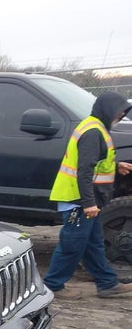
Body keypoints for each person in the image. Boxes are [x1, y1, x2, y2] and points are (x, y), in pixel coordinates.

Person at [43, 91, 132, 299]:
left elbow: (95, 163)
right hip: (79, 201)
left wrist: (116, 167)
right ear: (108, 110)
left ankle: (107, 284)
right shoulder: (93, 131)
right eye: (120, 113)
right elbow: (84, 170)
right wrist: (88, 203)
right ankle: (51, 286)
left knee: (93, 244)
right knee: (72, 244)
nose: (121, 117)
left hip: (87, 201)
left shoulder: (97, 127)